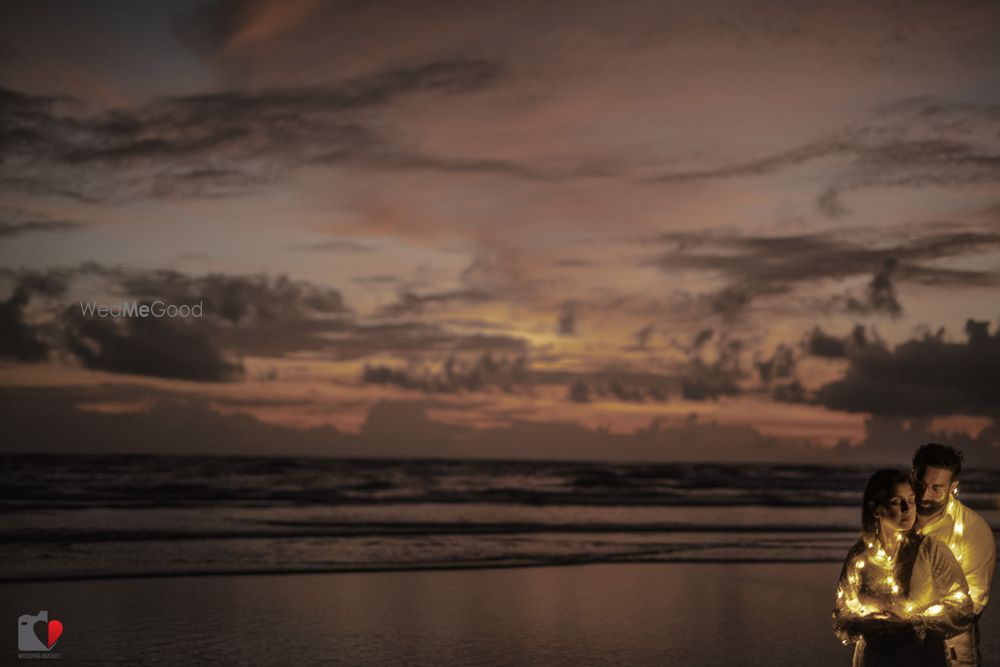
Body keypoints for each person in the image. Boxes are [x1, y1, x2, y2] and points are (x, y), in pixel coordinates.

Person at [833, 469, 975, 666]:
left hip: (922, 656)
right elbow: (842, 610)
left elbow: (963, 608)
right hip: (874, 658)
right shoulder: (860, 555)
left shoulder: (931, 550)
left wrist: (915, 623)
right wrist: (864, 623)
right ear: (875, 508)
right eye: (896, 501)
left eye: (910, 500)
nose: (907, 508)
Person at [912, 444, 996, 666]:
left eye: (936, 488)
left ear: (952, 487)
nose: (924, 495)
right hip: (895, 649)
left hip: (952, 650)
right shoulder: (893, 518)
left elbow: (973, 604)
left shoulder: (973, 529)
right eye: (920, 485)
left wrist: (913, 622)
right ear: (912, 474)